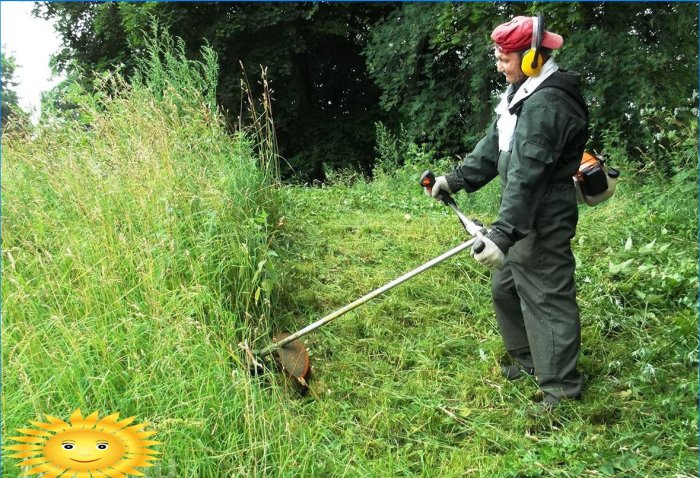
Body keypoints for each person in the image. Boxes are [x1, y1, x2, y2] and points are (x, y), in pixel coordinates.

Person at [426, 15, 589, 412]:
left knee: (546, 298)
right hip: (522, 214)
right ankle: (532, 362)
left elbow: (529, 176)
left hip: (542, 215)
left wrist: (502, 234)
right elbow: (496, 147)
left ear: (532, 57)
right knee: (506, 290)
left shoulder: (549, 103)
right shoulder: (523, 93)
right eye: (497, 57)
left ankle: (562, 391)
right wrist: (454, 180)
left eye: (505, 58)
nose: (499, 66)